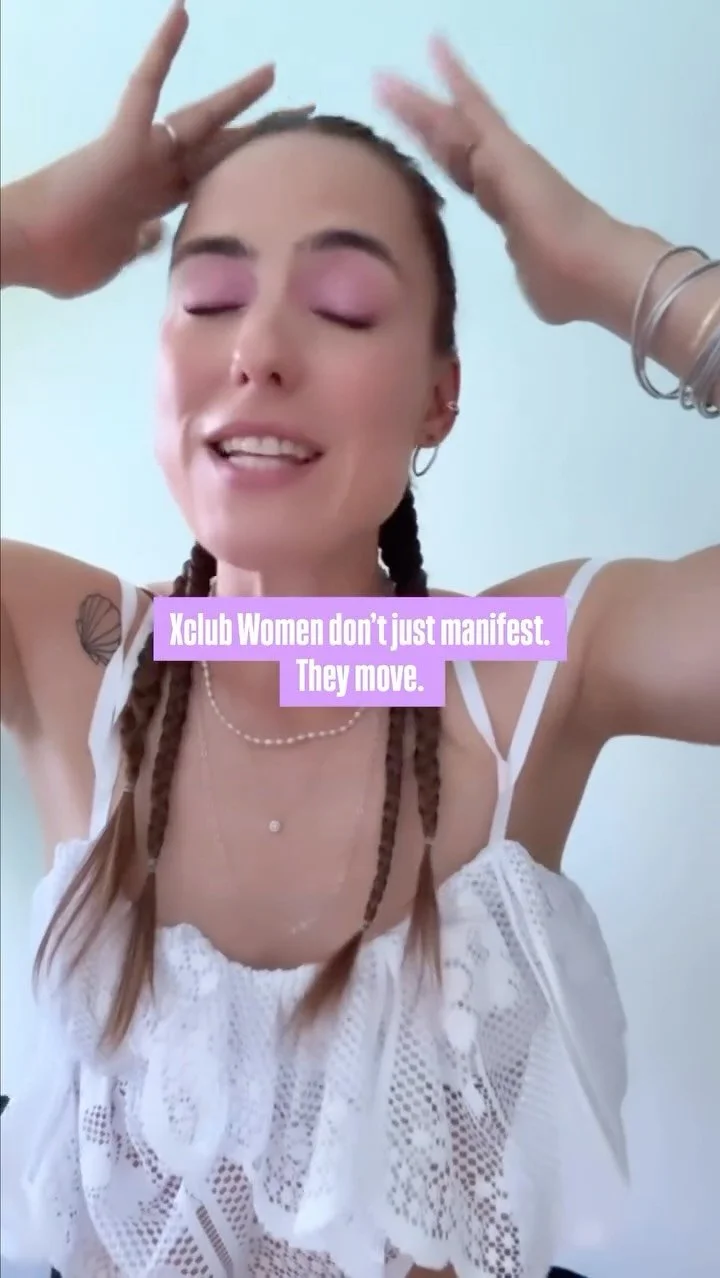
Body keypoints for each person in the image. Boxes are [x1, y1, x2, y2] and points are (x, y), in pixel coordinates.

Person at [0, 3, 718, 1276]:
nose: (258, 351)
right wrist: (17, 235)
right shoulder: (70, 654)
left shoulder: (527, 665)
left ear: (441, 397)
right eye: (209, 296)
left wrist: (618, 269)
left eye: (340, 306)